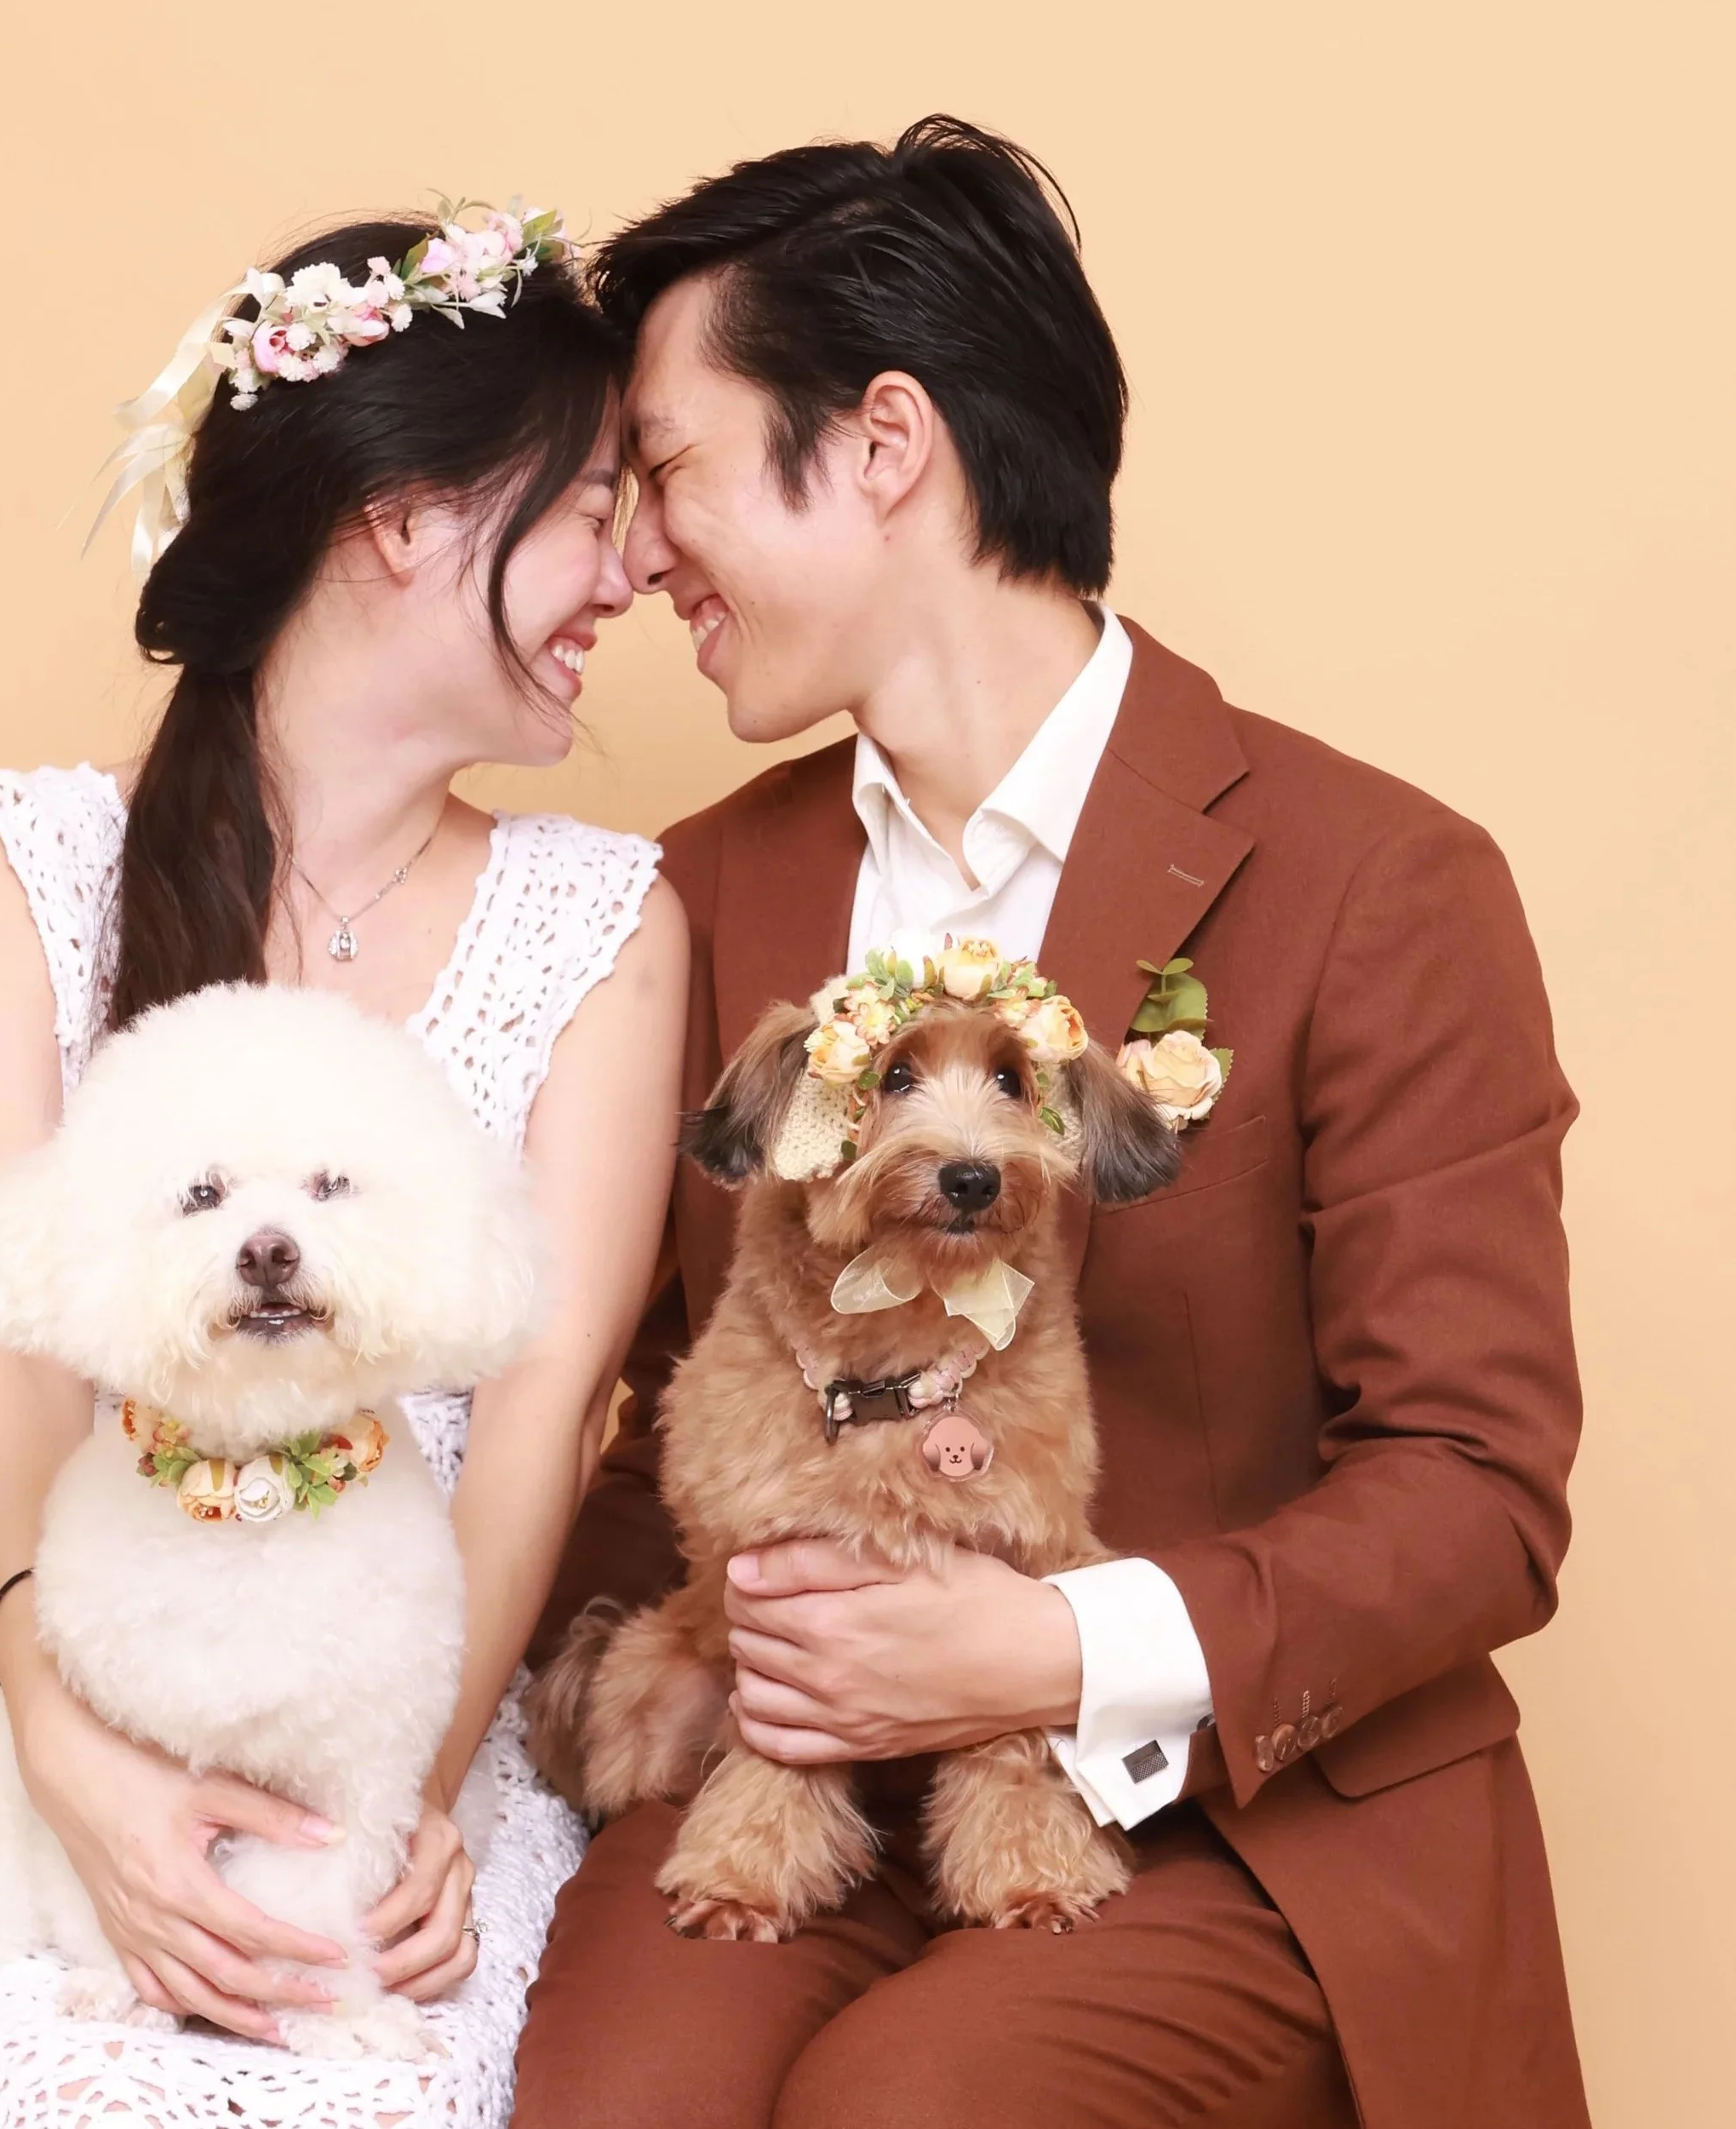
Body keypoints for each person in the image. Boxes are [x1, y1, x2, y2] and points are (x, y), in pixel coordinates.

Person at [513, 116, 1588, 2129]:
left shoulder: (1380, 879)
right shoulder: (684, 895)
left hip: (1234, 1818)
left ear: (883, 440)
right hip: (788, 1780)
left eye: (665, 468)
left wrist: (1042, 1648)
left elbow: (1473, 1484)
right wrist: (485, 1741)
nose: (637, 550)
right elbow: (654, 1404)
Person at [0, 204, 688, 2127]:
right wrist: (73, 1766)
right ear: (406, 515)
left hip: (402, 1714)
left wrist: (401, 1799)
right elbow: (4, 1369)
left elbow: (543, 1416)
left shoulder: (605, 921)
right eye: (595, 504)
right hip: (29, 1706)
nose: (639, 563)